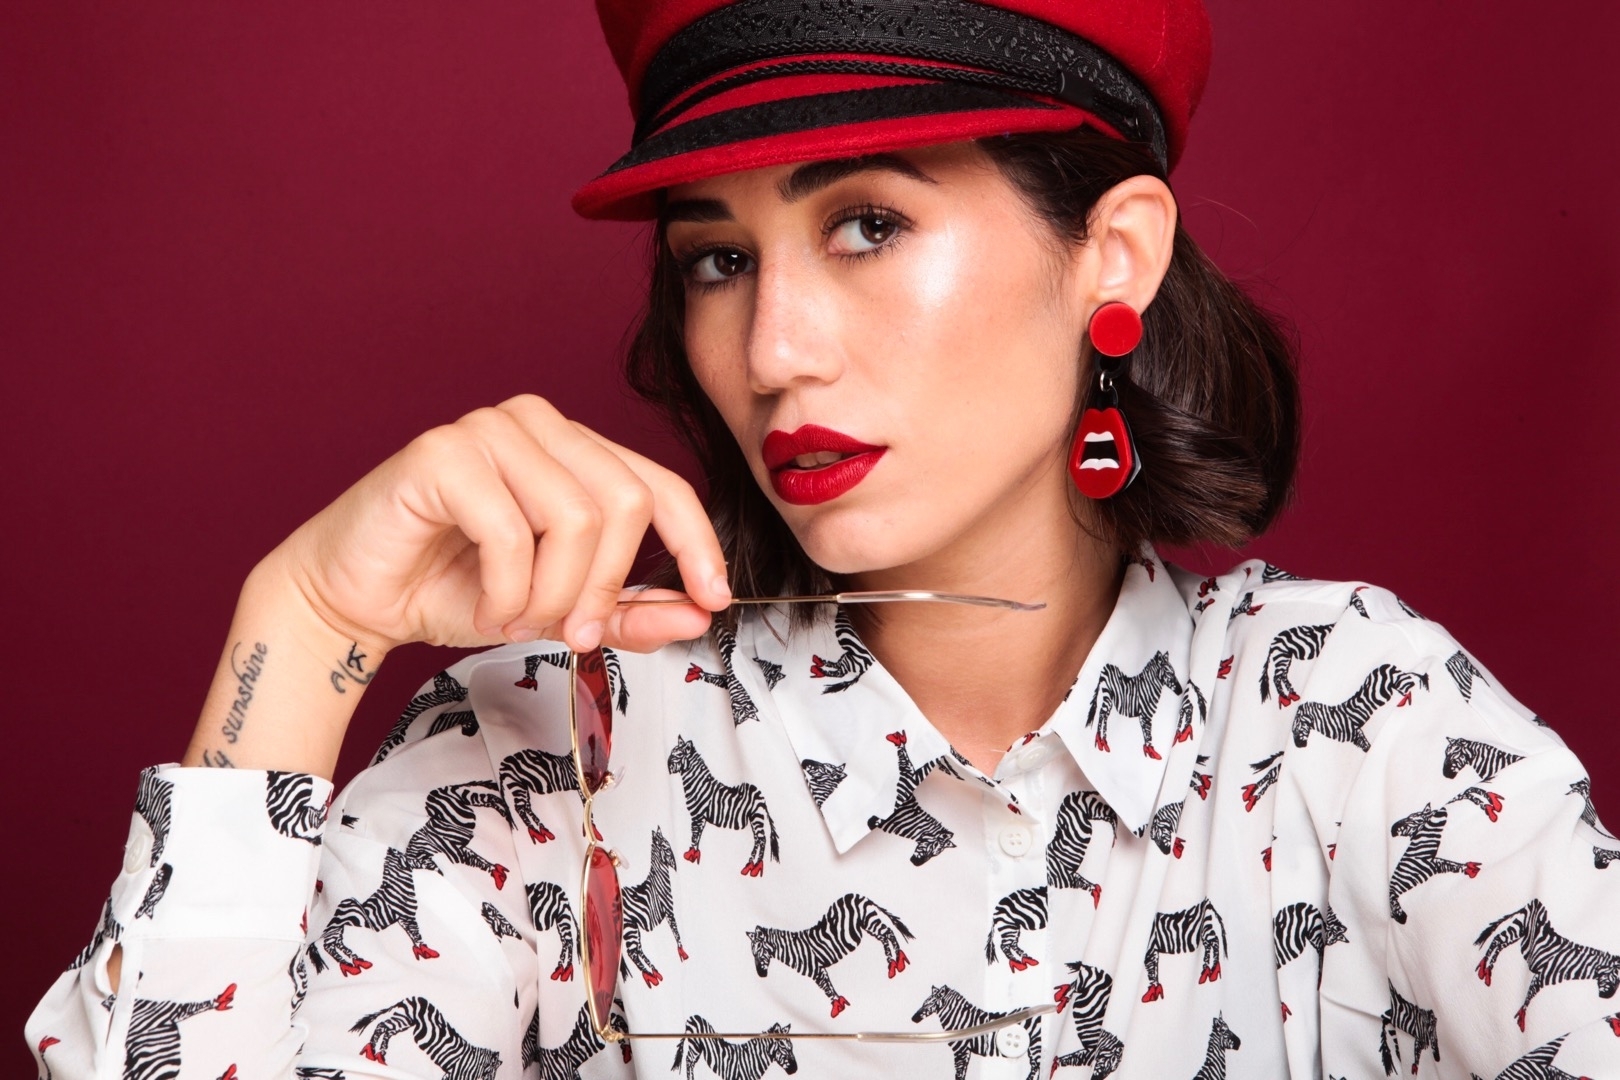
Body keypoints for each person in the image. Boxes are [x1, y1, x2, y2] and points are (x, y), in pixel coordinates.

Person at [26, 1, 1620, 1077]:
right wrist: (302, 625)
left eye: (867, 223)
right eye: (717, 260)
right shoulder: (549, 755)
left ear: (1112, 254)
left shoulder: (1357, 729)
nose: (774, 349)